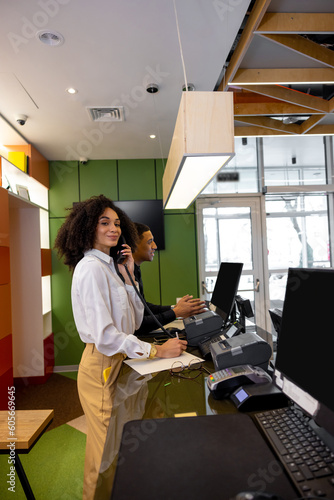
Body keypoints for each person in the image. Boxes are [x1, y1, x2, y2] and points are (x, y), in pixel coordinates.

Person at [54, 195, 187, 500]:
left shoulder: (111, 267)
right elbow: (105, 335)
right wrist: (157, 351)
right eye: (104, 223)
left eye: (116, 223)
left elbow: (136, 318)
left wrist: (129, 277)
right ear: (88, 227)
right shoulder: (90, 269)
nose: (113, 228)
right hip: (102, 365)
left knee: (122, 444)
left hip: (122, 361)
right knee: (102, 454)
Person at [132, 222, 206, 335]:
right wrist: (175, 313)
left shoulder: (135, 269)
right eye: (149, 242)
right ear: (134, 244)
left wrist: (175, 308)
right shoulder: (125, 274)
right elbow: (138, 325)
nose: (155, 246)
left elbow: (143, 307)